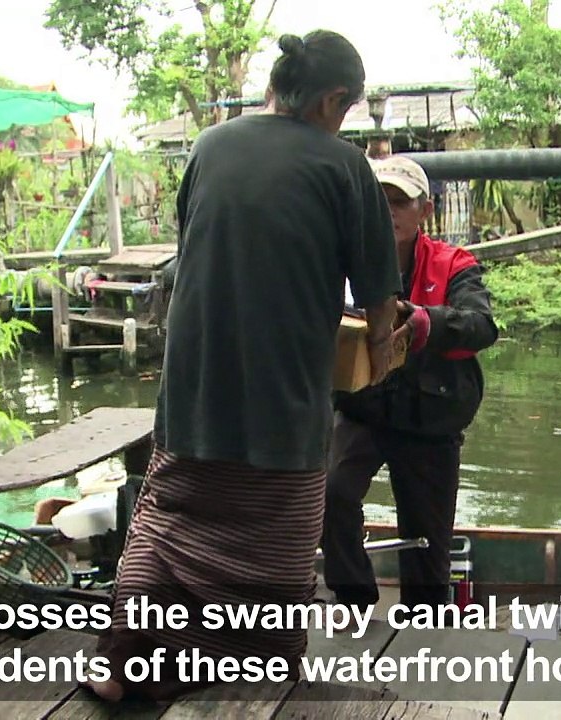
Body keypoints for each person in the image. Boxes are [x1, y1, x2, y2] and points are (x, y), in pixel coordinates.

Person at [84, 30, 401, 703]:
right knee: (277, 538)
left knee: (167, 519)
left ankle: (121, 659)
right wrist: (385, 360)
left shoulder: (209, 145)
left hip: (192, 386)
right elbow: (379, 303)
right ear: (334, 99)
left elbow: (194, 246)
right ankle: (254, 668)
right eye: (346, 109)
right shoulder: (344, 167)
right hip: (281, 398)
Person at [321, 154, 498, 613]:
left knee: (427, 546)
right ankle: (356, 600)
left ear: (425, 211)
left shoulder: (453, 263)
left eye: (401, 202)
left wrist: (423, 323)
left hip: (431, 421)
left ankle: (427, 630)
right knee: (331, 494)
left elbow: (481, 325)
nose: (390, 211)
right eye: (380, 201)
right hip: (364, 408)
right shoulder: (340, 263)